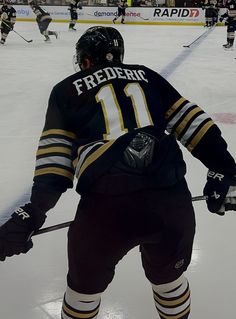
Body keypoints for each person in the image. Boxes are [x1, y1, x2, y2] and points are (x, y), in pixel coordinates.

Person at [0, 26, 236, 319]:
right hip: (171, 202)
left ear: (85, 61)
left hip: (106, 210)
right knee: (170, 283)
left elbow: (54, 165)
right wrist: (226, 169)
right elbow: (194, 124)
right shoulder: (148, 76)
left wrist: (32, 213)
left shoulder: (65, 89)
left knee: (82, 295)